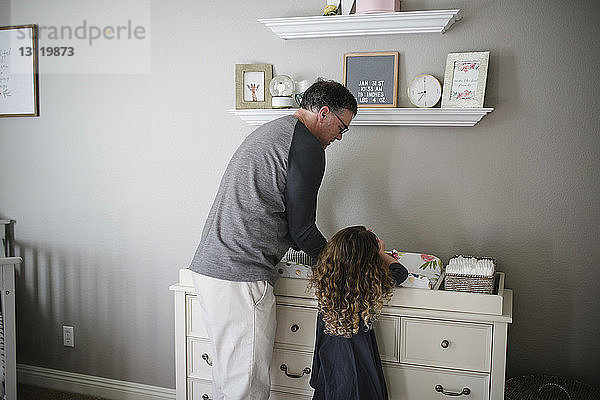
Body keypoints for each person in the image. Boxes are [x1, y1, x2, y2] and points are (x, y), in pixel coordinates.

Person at [188, 79, 357, 400]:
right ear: (323, 113)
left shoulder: (273, 131)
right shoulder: (306, 148)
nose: (339, 136)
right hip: (241, 275)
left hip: (211, 269)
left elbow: (286, 224)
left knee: (228, 379)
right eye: (341, 127)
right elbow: (302, 231)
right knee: (246, 387)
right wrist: (341, 265)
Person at [308, 226, 408, 400]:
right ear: (369, 263)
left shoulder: (325, 284)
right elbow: (400, 272)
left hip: (328, 358)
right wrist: (381, 253)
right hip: (359, 360)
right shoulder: (369, 286)